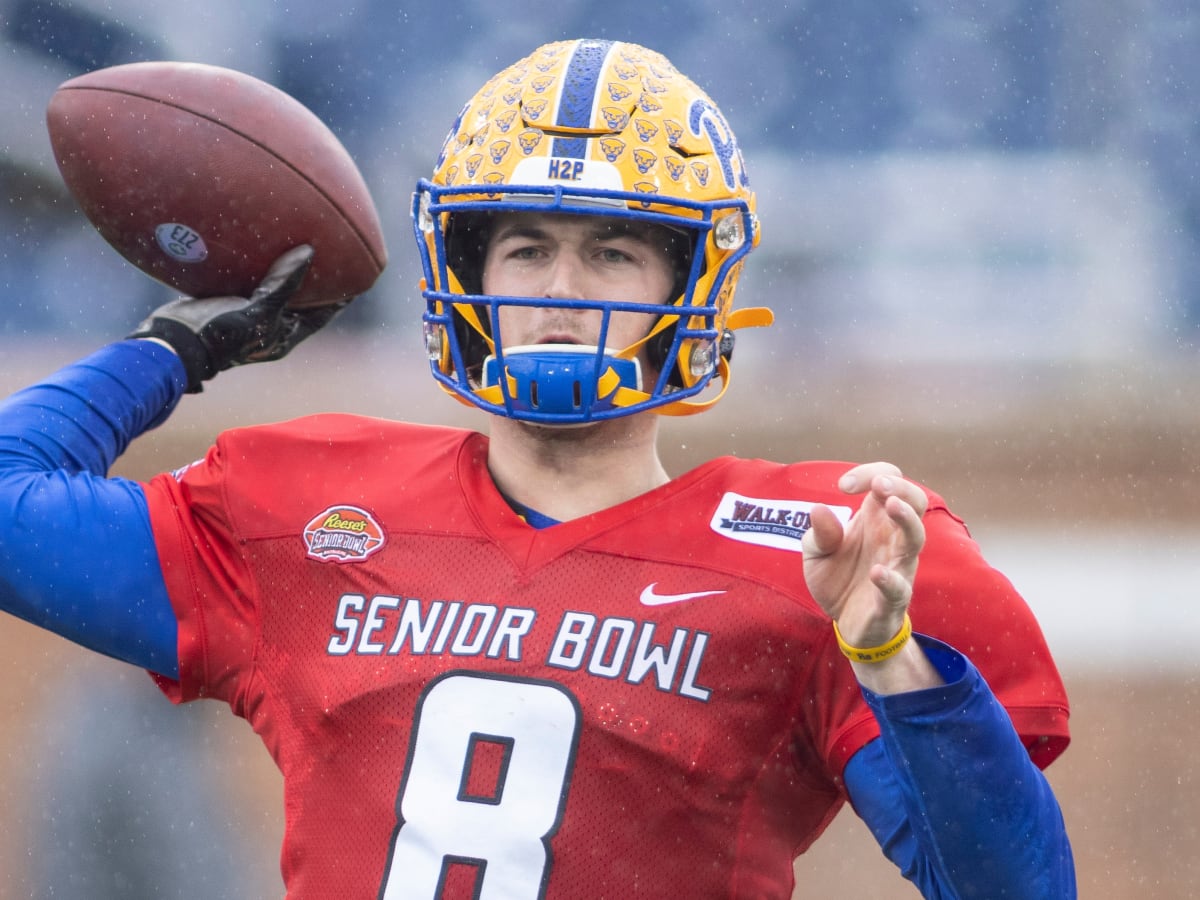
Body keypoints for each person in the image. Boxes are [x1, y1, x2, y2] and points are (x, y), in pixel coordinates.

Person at [0, 38, 1073, 898]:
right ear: (467, 272)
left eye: (612, 252)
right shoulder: (309, 509)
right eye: (526, 249)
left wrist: (893, 659)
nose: (563, 289)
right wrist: (174, 351)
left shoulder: (815, 550)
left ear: (691, 286)